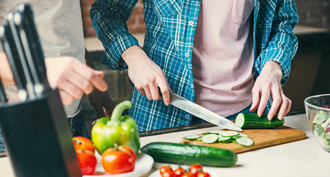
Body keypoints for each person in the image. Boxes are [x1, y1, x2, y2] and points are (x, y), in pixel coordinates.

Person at [90, 0, 298, 132]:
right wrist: (133, 55)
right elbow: (106, 11)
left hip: (248, 114)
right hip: (164, 114)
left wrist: (273, 66)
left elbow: (283, 23)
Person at [0, 0, 115, 152]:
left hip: (73, 116)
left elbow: (63, 26)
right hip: (22, 121)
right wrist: (40, 71)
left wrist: (91, 80)